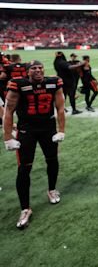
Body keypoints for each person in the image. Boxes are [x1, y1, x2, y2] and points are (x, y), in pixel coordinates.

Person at [3, 60, 66, 229]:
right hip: (26, 130)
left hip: (48, 127)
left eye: (40, 68)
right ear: (27, 72)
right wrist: (7, 137)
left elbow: (60, 107)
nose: (38, 70)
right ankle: (25, 208)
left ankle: (52, 189)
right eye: (33, 68)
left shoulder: (53, 82)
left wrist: (61, 130)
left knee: (52, 160)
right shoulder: (18, 85)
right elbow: (8, 111)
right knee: (24, 168)